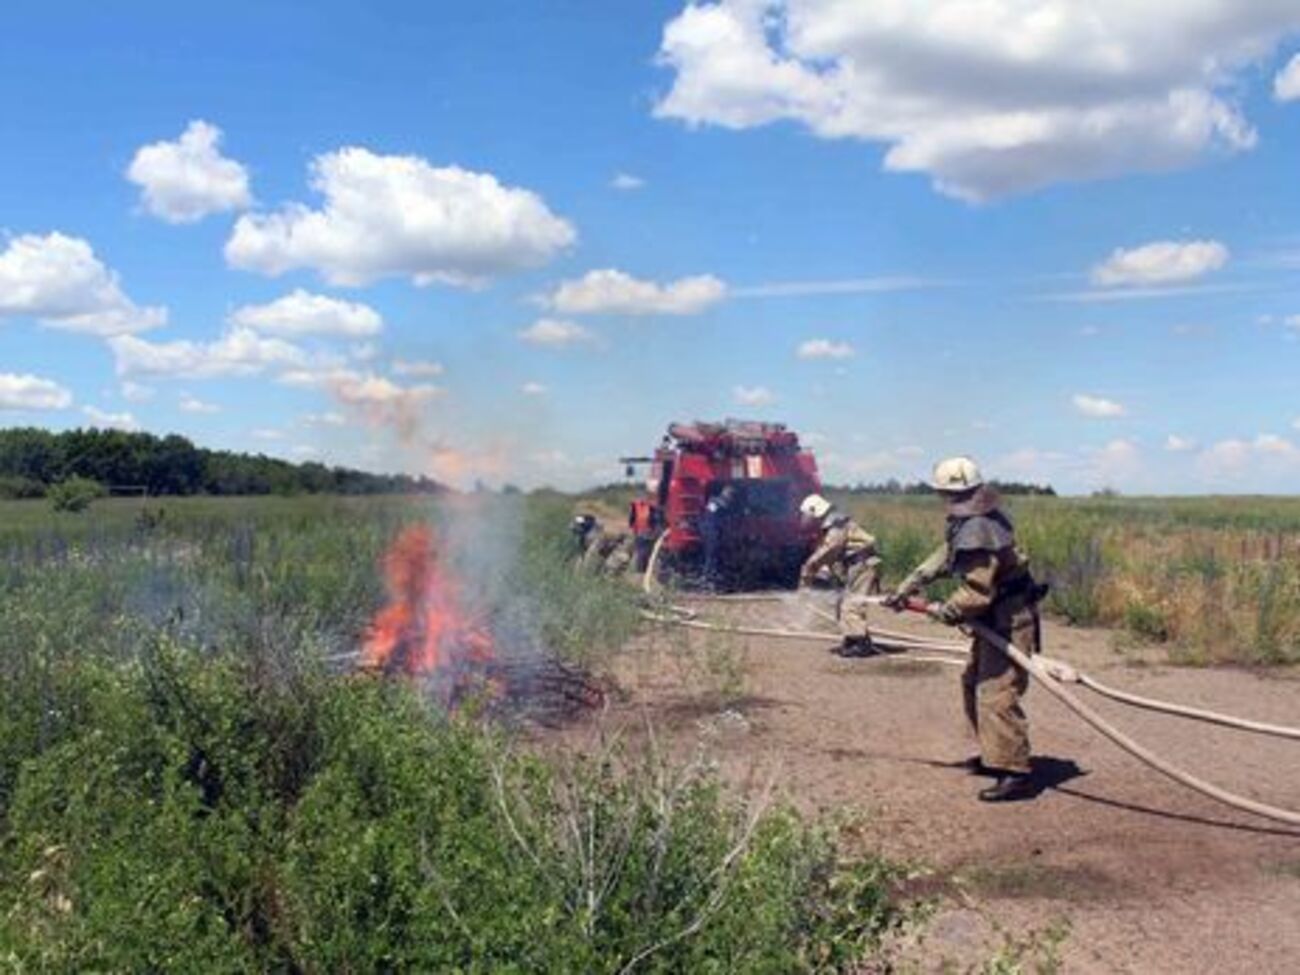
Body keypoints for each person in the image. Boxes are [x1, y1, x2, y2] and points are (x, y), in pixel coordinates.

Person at [884, 457, 1046, 803]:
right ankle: (995, 755)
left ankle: (1014, 771)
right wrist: (910, 584)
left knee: (998, 693)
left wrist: (947, 610)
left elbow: (977, 591)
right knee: (972, 683)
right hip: (994, 616)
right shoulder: (973, 522)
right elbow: (946, 555)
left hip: (1008, 618)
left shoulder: (978, 527)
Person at [798, 493, 882, 657]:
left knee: (851, 605)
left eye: (806, 515)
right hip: (857, 565)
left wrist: (810, 567)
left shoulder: (836, 524)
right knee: (843, 603)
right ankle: (852, 638)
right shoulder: (832, 524)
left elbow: (831, 549)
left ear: (814, 511)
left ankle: (860, 644)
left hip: (862, 564)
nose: (804, 519)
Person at [699, 483, 738, 590]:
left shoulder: (716, 502)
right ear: (726, 494)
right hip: (711, 530)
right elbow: (711, 514)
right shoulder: (716, 503)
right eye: (730, 495)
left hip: (712, 530)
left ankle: (711, 577)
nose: (730, 498)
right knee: (712, 555)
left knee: (714, 555)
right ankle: (708, 578)